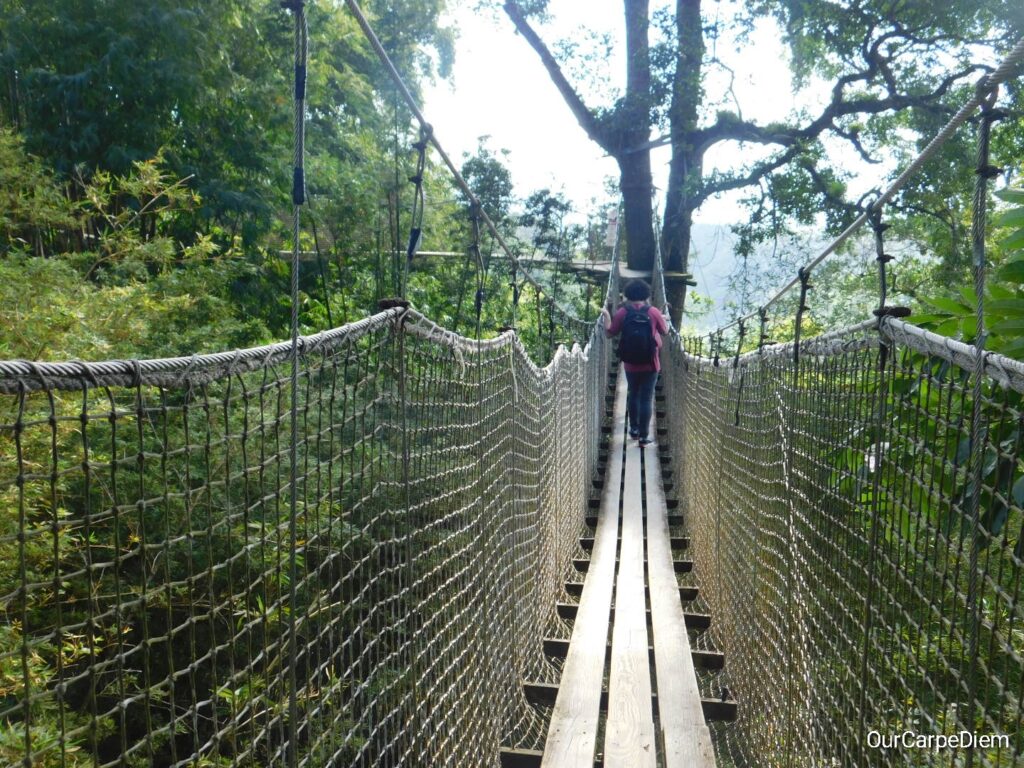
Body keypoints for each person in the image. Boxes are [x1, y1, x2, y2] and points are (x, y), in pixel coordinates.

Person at [599, 279, 669, 446]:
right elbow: (665, 332)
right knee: (646, 398)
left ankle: (634, 430)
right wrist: (662, 317)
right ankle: (644, 437)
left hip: (630, 364)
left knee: (634, 394)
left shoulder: (623, 312)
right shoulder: (652, 312)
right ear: (646, 294)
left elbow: (610, 334)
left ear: (628, 295)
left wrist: (607, 315)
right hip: (651, 364)